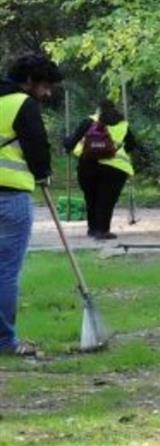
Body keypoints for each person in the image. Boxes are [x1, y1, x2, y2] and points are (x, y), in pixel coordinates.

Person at [0, 54, 63, 356]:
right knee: (6, 271)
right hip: (10, 197)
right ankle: (4, 341)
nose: (47, 93)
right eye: (46, 86)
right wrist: (43, 175)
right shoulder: (21, 104)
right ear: (28, 81)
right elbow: (37, 146)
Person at [64, 99, 138, 240]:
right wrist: (115, 150)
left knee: (91, 197)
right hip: (115, 168)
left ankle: (92, 229)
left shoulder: (88, 121)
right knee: (107, 200)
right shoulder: (122, 125)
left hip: (88, 165)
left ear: (98, 109)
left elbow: (71, 142)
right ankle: (102, 230)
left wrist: (65, 141)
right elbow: (132, 145)